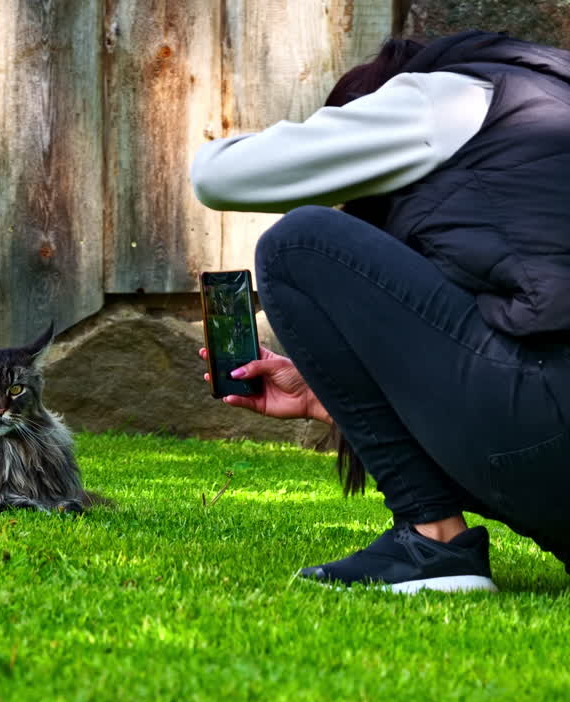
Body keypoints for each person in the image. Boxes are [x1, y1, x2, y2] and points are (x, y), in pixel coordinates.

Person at [190, 30, 570, 593]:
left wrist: (350, 132)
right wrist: (328, 399)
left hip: (550, 430)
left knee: (299, 243)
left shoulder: (447, 96)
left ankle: (435, 544)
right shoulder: (545, 118)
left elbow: (216, 174)